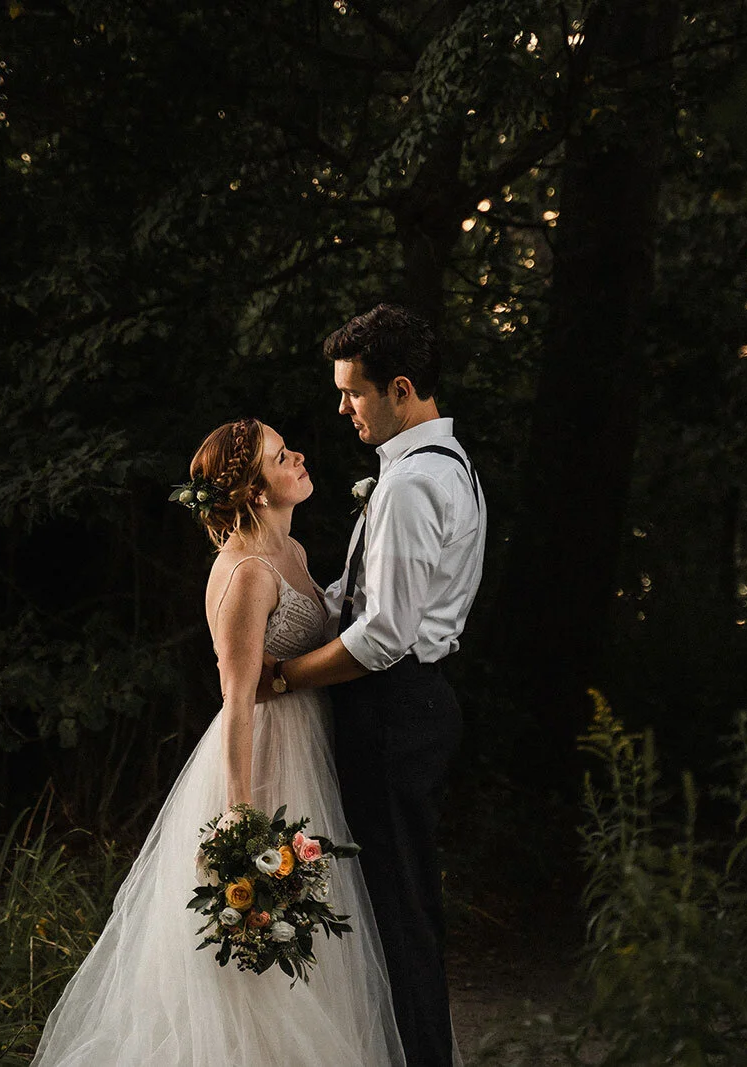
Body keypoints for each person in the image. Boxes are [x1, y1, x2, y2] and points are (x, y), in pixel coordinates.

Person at [32, 417, 405, 1066]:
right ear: (258, 492)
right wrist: (242, 819)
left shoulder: (292, 553)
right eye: (283, 456)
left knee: (313, 936)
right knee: (266, 941)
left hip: (306, 737)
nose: (299, 457)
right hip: (265, 759)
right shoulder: (247, 575)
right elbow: (237, 702)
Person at [261, 304, 485, 1067]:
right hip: (411, 704)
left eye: (353, 393)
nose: (343, 407)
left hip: (394, 709)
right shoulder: (436, 466)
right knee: (396, 906)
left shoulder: (412, 484)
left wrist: (284, 676)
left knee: (396, 915)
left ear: (399, 387)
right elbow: (364, 595)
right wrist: (292, 605)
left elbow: (383, 637)